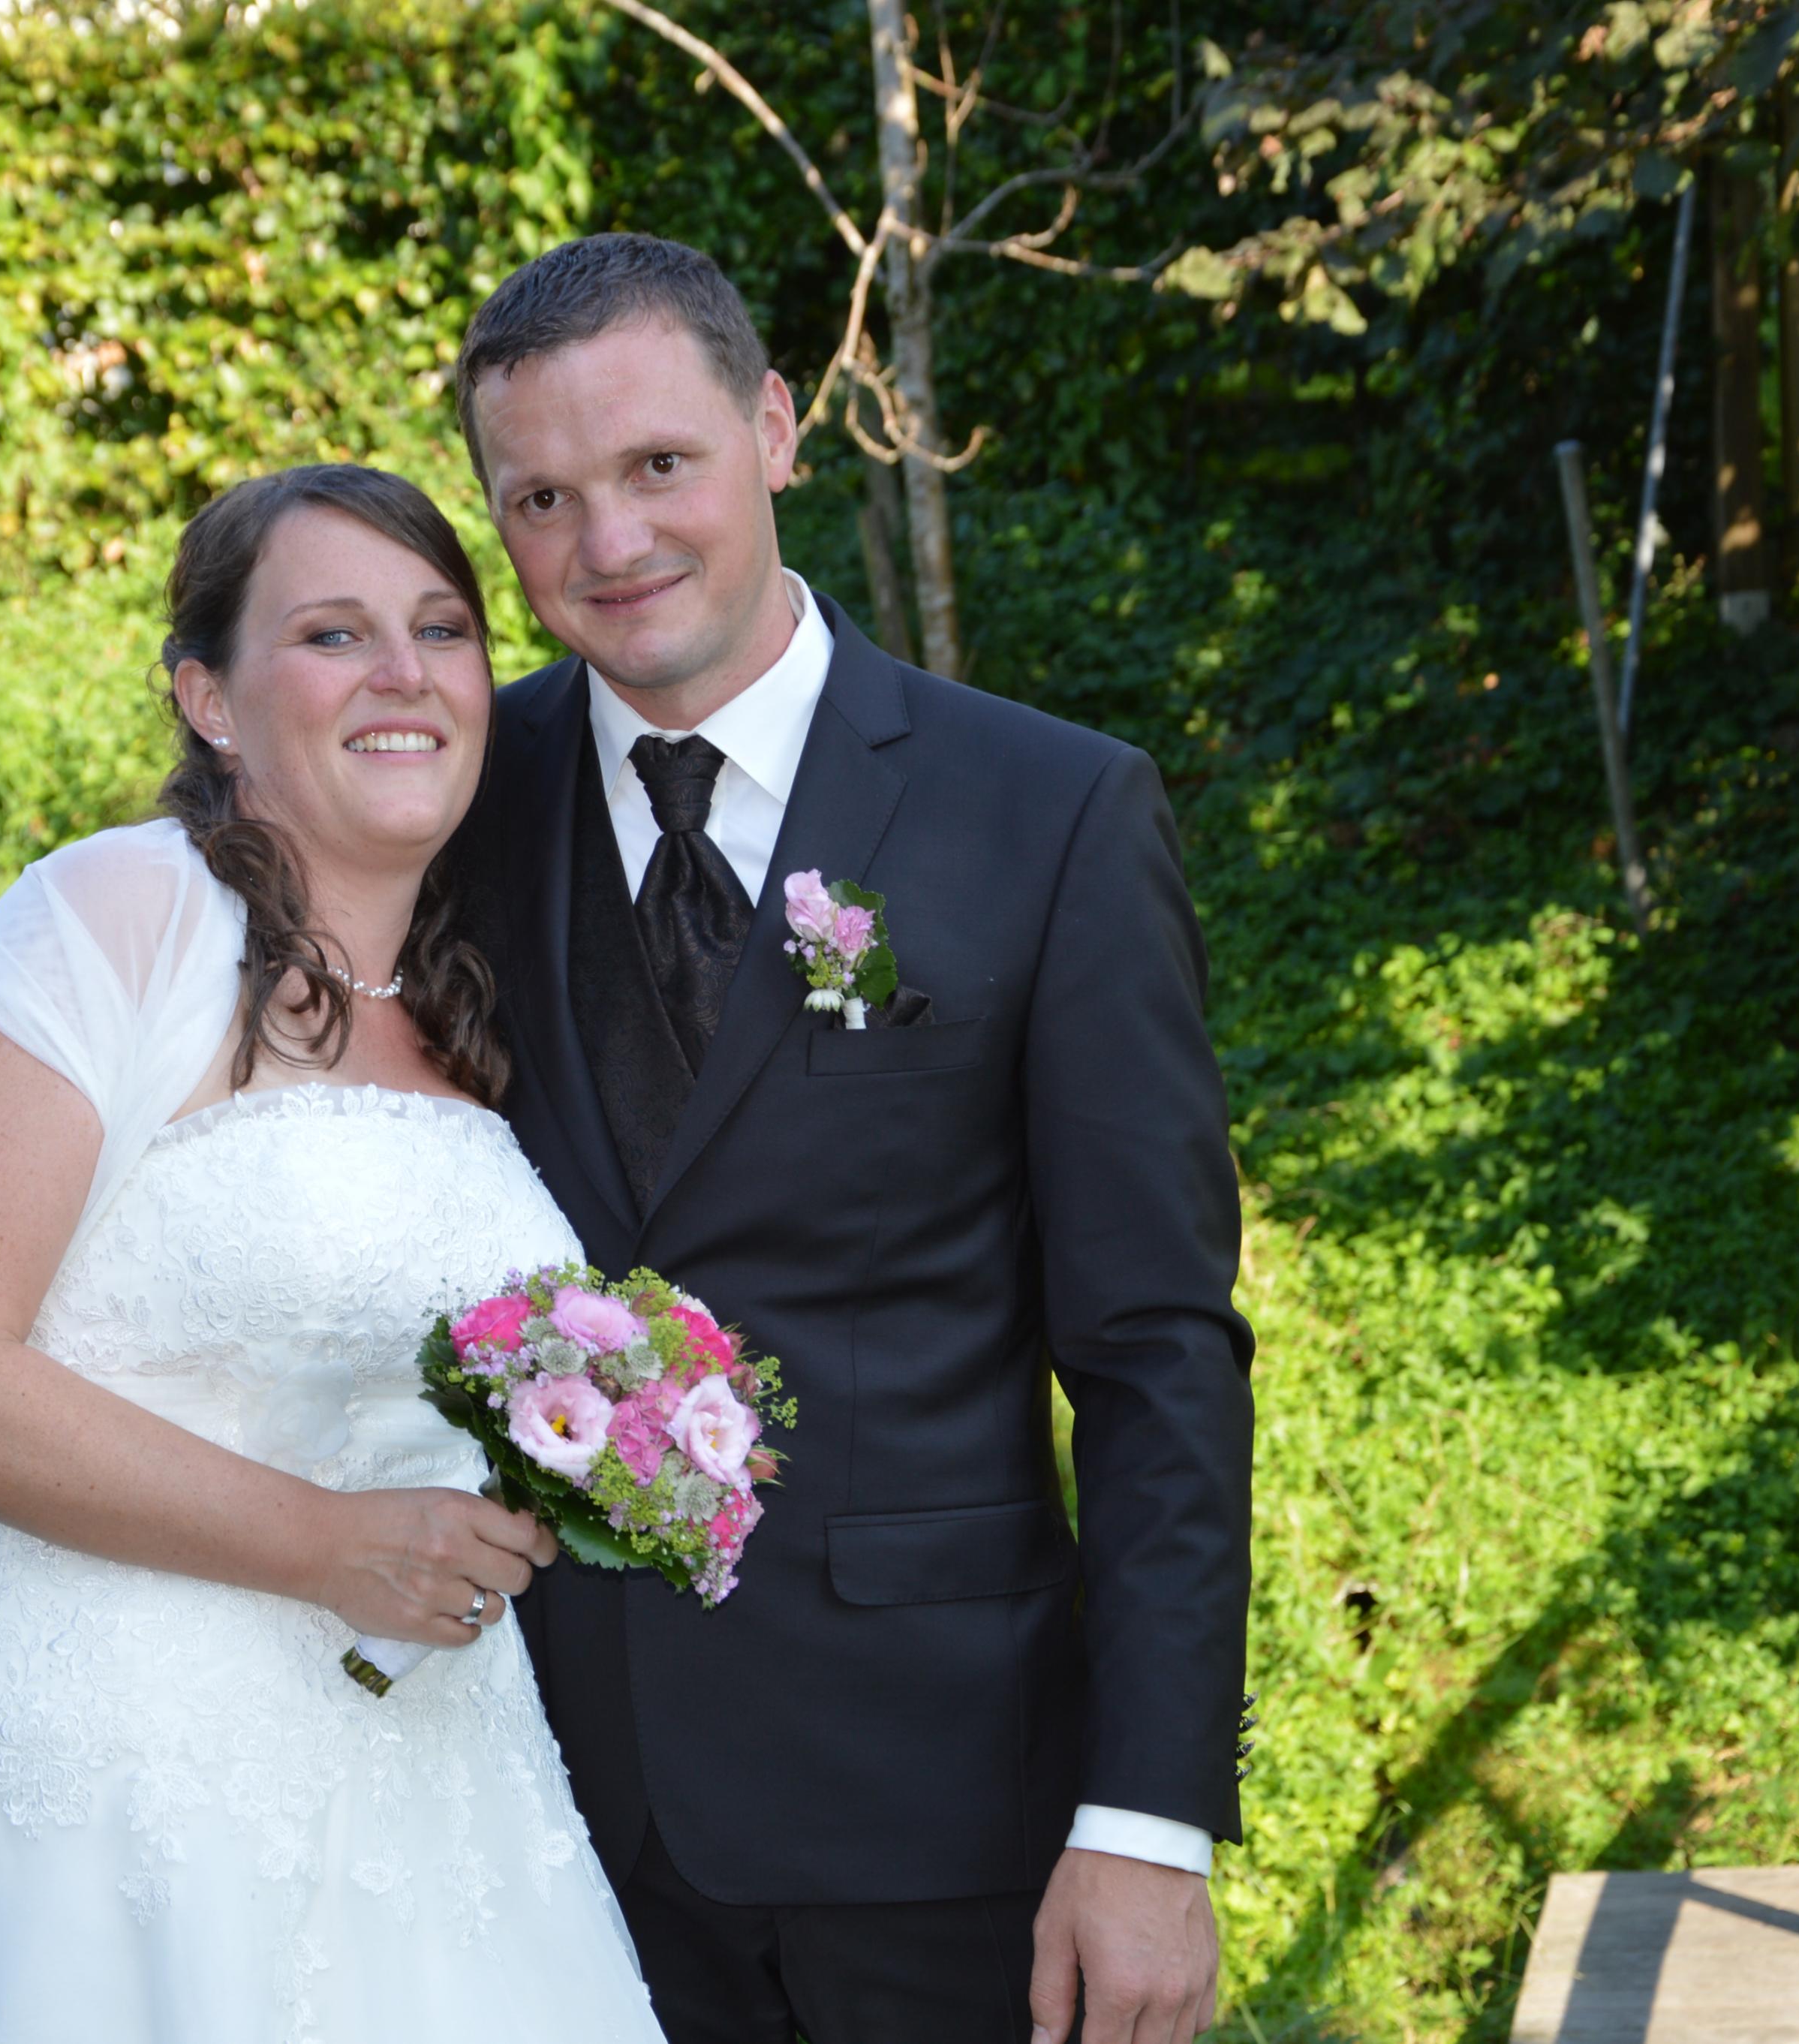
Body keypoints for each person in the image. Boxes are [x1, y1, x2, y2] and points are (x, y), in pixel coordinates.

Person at [0, 465, 668, 2043]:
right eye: (333, 635)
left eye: (441, 628)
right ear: (209, 698)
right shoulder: (119, 915)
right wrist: (325, 1543)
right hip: (122, 1793)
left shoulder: (461, 1008)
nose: (405, 673)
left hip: (435, 1800)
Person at [447, 232, 1255, 2044]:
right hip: (552, 1814)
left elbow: (1153, 1352)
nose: (609, 542)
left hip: (948, 1805)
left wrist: (1145, 1823)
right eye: (541, 500)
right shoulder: (452, 804)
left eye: (658, 464)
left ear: (774, 428)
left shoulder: (1047, 810)